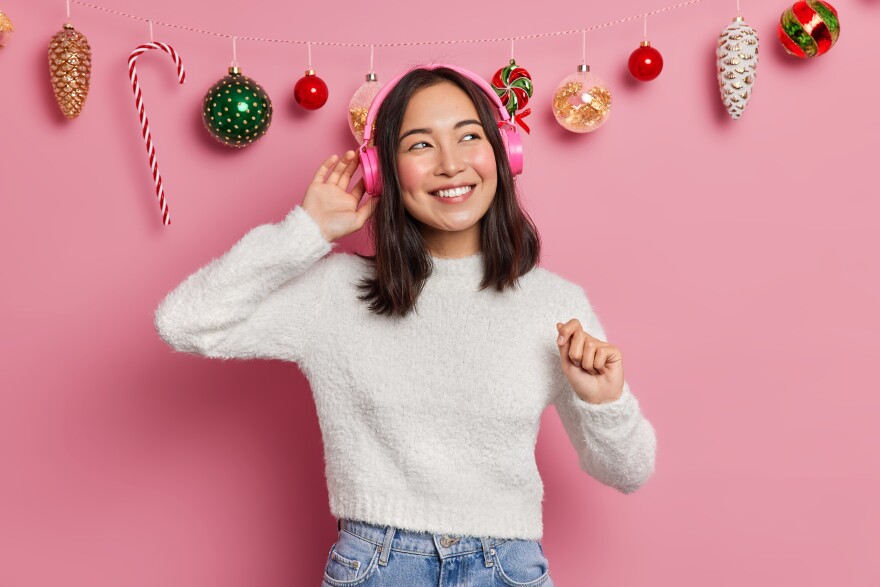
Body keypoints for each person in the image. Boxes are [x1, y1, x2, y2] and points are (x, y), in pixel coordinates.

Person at [154, 64, 657, 586]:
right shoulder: (335, 293)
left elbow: (627, 472)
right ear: (382, 171)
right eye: (420, 145)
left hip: (507, 569)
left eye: (469, 137)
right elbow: (184, 322)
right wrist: (303, 233)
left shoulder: (555, 303)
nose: (450, 164)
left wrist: (606, 403)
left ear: (504, 154)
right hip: (377, 565)